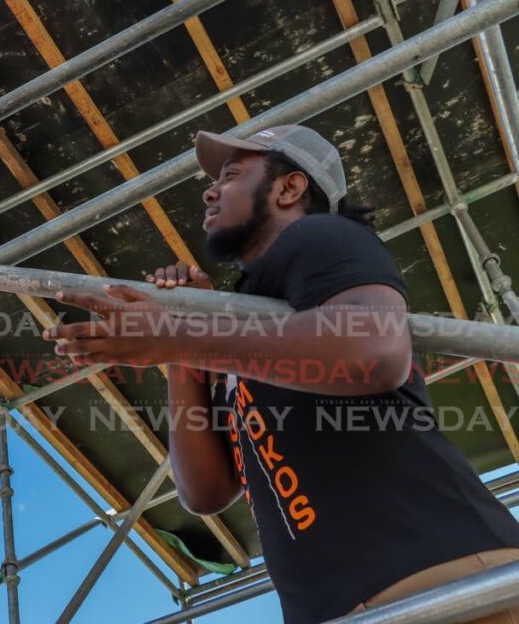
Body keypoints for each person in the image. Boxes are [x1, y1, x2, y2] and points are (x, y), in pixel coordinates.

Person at [45, 125, 519, 623]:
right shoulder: (255, 331)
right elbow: (205, 492)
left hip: (443, 577)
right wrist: (181, 346)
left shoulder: (321, 236)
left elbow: (374, 351)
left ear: (289, 188)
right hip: (353, 606)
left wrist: (172, 335)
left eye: (231, 174)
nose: (209, 189)